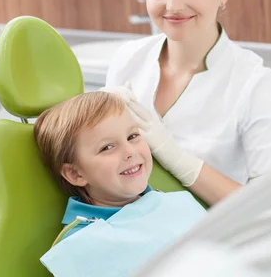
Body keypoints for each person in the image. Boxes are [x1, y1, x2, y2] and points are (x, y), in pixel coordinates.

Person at [105, 0, 271, 206]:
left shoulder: (252, 81)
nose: (174, 6)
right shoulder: (128, 60)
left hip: (211, 242)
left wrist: (176, 158)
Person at [33, 91, 206, 276]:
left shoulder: (175, 203)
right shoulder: (82, 247)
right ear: (75, 174)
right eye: (107, 147)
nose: (129, 151)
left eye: (132, 136)